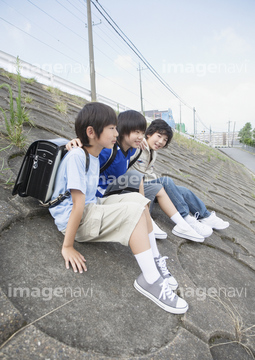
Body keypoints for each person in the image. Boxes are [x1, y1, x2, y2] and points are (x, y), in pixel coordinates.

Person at [49, 102, 188, 314]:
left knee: (139, 201)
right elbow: (77, 205)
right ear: (91, 132)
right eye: (112, 128)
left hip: (90, 207)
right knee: (133, 210)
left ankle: (155, 261)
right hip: (75, 221)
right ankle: (150, 280)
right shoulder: (79, 155)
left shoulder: (94, 154)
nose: (117, 132)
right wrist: (67, 246)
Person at [68, 110, 205, 243]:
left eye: (142, 133)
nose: (141, 137)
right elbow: (89, 151)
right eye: (137, 132)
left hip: (120, 188)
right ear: (123, 129)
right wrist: (75, 142)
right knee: (140, 176)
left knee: (163, 186)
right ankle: (148, 220)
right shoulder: (108, 151)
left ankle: (182, 224)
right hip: (102, 195)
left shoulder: (132, 150)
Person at [129, 119, 230, 233]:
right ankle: (186, 218)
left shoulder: (153, 152)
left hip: (152, 186)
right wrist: (138, 139)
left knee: (183, 191)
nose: (161, 141)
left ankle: (205, 217)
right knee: (166, 181)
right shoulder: (137, 146)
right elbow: (123, 144)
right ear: (148, 133)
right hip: (137, 188)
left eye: (165, 140)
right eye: (158, 136)